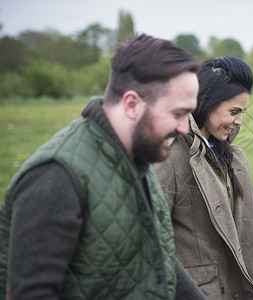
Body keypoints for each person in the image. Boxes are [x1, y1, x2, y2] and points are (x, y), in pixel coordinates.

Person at [0, 33, 207, 299]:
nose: (184, 128)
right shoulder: (55, 177)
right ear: (132, 104)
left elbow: (156, 257)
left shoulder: (140, 156)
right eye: (177, 114)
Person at [154, 56, 253, 300]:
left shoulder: (229, 155)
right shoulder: (168, 155)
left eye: (243, 112)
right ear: (207, 103)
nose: (240, 122)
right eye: (234, 112)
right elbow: (149, 241)